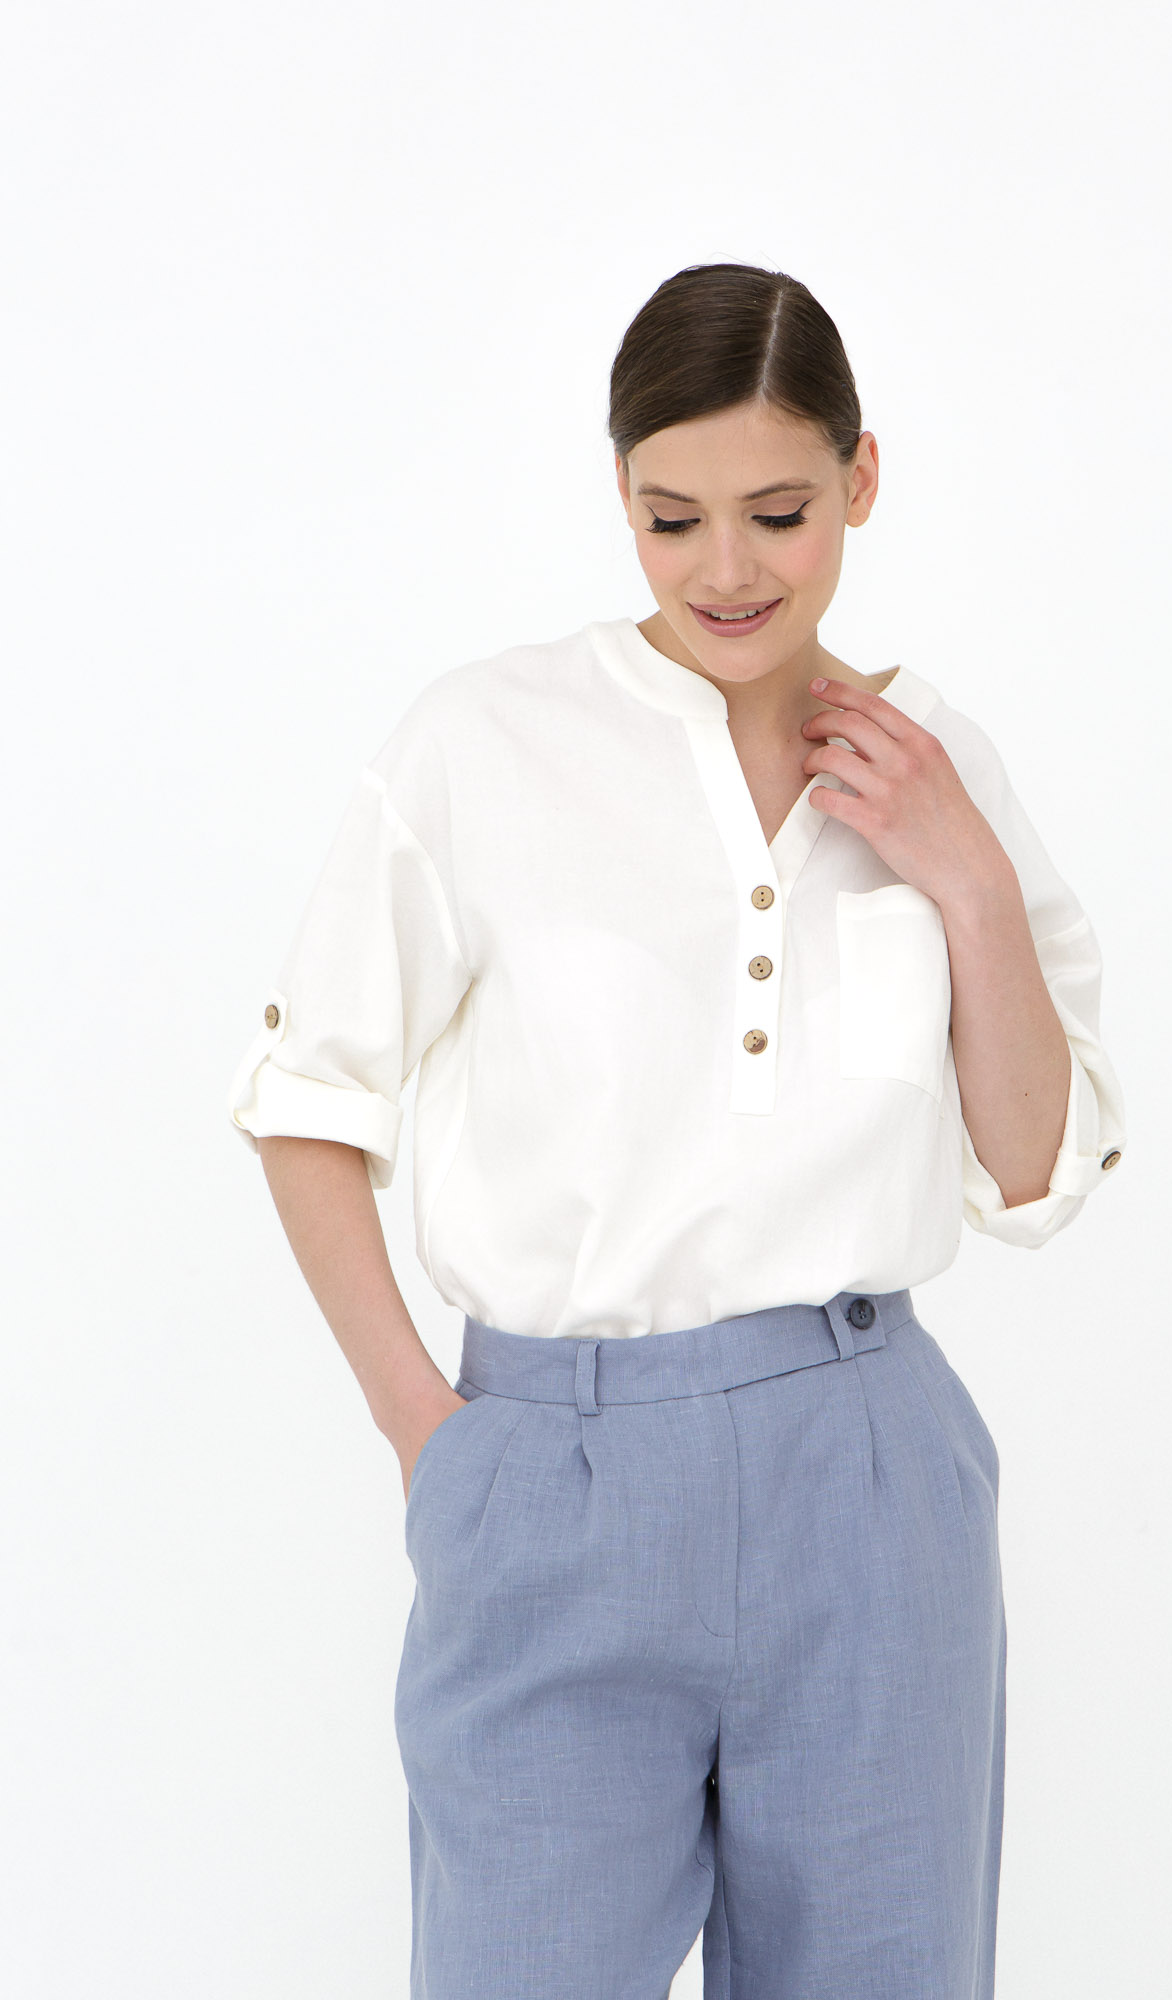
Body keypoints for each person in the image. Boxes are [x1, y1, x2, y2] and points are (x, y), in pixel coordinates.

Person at [226, 261, 1126, 2000]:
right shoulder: (484, 744)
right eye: (671, 517)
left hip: (867, 1482)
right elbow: (307, 1104)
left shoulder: (936, 763)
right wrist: (431, 1438)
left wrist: (964, 874)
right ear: (621, 495)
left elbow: (1033, 1173)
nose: (727, 570)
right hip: (550, 1479)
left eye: (780, 513)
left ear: (863, 478)